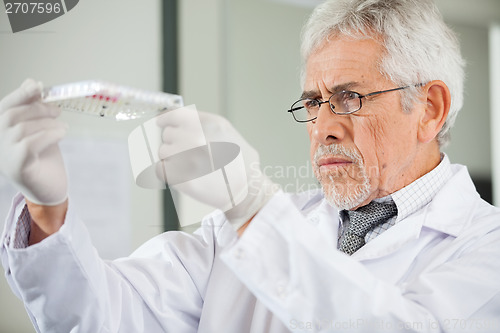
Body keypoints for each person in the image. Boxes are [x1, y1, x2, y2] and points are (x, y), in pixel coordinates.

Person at [1, 0, 500, 332]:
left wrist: (255, 208)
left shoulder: (487, 249)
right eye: (313, 102)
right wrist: (49, 210)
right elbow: (105, 317)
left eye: (348, 98)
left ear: (429, 109)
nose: (322, 127)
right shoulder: (237, 233)